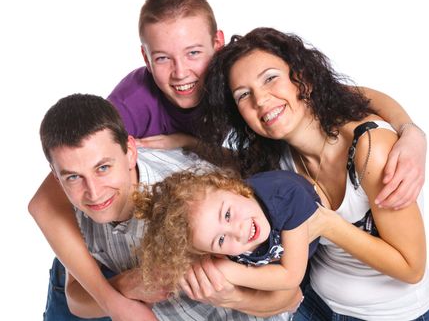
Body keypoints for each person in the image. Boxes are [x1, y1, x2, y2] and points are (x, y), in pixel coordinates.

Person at [28, 0, 427, 320]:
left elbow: (343, 95)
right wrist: (114, 299)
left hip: (341, 296)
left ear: (217, 44)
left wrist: (411, 131)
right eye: (163, 58)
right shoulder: (134, 105)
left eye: (193, 52)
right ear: (145, 58)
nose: (181, 73)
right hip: (106, 241)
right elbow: (58, 195)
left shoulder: (255, 99)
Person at [196, 27, 429, 320]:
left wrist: (411, 131)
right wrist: (182, 142)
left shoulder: (370, 150)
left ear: (303, 79)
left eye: (270, 78)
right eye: (244, 95)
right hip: (314, 304)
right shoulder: (276, 154)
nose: (260, 100)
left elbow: (412, 267)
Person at [38, 93, 299, 321]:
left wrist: (232, 297)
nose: (94, 193)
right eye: (73, 176)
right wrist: (126, 286)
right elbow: (75, 299)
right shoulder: (73, 212)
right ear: (56, 174)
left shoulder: (195, 201)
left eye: (103, 168)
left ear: (130, 151)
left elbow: (291, 297)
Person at [135, 169, 320, 294]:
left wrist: (229, 271)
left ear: (231, 188)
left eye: (228, 214)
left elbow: (291, 277)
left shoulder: (285, 196)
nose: (238, 232)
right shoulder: (215, 243)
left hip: (319, 233)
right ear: (212, 252)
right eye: (221, 240)